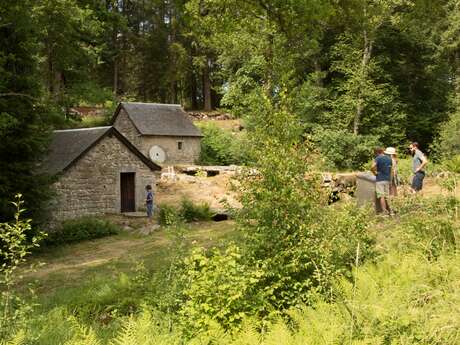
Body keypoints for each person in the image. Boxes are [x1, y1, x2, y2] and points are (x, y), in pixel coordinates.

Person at [371, 147, 392, 215]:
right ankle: (391, 211)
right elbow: (391, 170)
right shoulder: (389, 158)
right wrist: (390, 180)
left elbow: (372, 167)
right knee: (387, 196)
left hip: (380, 179)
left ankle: (384, 212)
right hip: (387, 179)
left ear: (376, 152)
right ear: (382, 151)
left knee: (381, 196)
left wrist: (375, 173)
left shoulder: (377, 158)